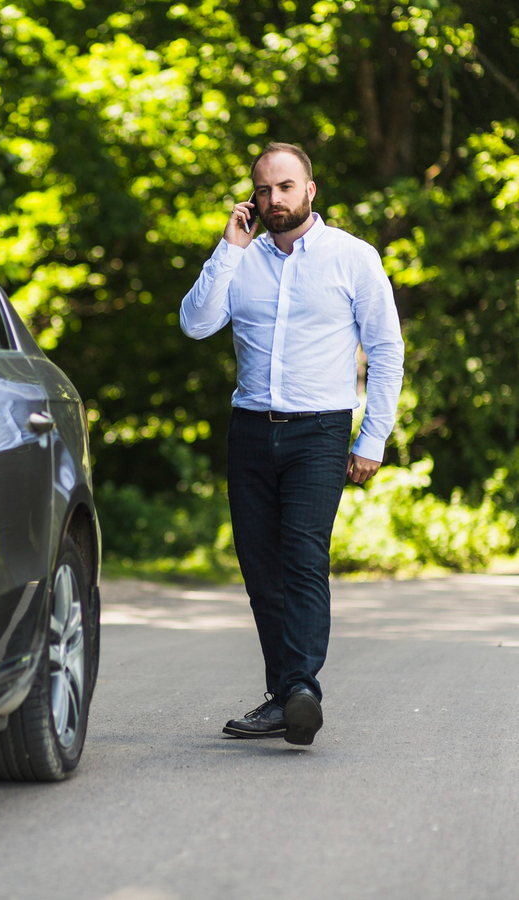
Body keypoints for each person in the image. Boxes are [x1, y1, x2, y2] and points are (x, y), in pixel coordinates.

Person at [178, 142, 404, 745]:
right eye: (263, 189)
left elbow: (385, 350)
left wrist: (372, 437)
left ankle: (301, 686)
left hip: (321, 430)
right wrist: (228, 249)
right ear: (251, 198)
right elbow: (196, 323)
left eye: (285, 187)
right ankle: (287, 696)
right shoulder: (239, 258)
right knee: (260, 569)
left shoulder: (353, 257)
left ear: (310, 189)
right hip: (250, 430)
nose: (273, 198)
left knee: (303, 559)